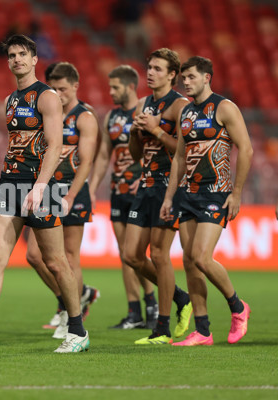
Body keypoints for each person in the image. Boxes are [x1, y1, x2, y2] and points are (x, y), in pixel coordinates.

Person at [0, 34, 89, 353]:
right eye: (12, 55)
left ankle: (77, 330)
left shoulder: (47, 97)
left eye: (23, 54)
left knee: (55, 262)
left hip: (43, 188)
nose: (17, 59)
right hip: (10, 184)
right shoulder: (10, 100)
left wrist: (40, 187)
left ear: (35, 60)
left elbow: (55, 146)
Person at [160, 56, 253, 345]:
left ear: (206, 77)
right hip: (188, 193)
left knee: (201, 256)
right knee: (189, 261)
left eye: (190, 77)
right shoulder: (186, 112)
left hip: (216, 191)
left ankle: (237, 306)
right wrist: (169, 196)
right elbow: (179, 157)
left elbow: (246, 149)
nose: (185, 82)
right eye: (183, 78)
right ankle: (202, 331)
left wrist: (236, 193)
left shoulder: (224, 107)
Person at [24, 62, 99, 339]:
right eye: (53, 88)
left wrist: (69, 195)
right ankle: (74, 299)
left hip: (71, 192)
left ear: (75, 86)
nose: (57, 93)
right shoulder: (46, 113)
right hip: (47, 190)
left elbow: (87, 161)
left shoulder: (84, 117)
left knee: (69, 256)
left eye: (62, 88)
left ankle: (72, 314)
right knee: (34, 255)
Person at [123, 48, 192, 345]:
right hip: (146, 183)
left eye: (158, 69)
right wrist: (135, 132)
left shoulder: (180, 106)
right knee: (131, 255)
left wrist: (156, 130)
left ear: (172, 75)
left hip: (170, 185)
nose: (150, 72)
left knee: (159, 254)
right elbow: (136, 155)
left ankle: (162, 328)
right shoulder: (142, 104)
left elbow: (187, 150)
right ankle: (180, 297)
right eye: (149, 67)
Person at [89, 65, 159, 330]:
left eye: (115, 87)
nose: (111, 92)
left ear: (131, 86)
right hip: (119, 192)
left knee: (138, 253)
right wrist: (92, 188)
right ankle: (134, 312)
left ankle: (152, 302)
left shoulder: (147, 112)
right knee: (125, 254)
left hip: (142, 192)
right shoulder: (111, 118)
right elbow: (104, 156)